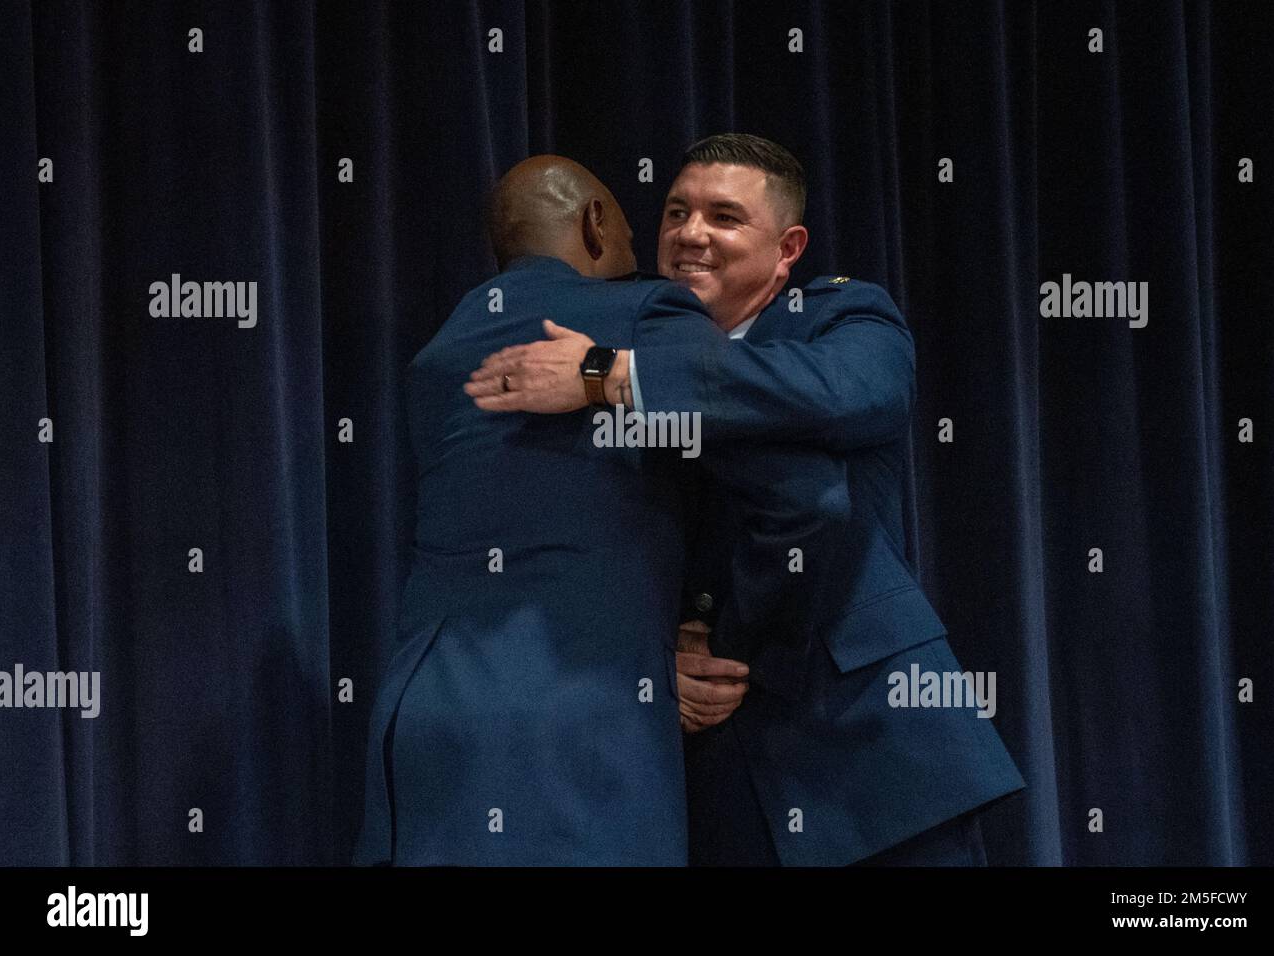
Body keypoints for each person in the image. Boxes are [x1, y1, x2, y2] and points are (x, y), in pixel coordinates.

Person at [466, 134, 1026, 865]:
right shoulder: (617, 347)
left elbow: (848, 396)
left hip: (876, 751)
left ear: (788, 248)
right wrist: (658, 659)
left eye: (724, 217)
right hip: (715, 769)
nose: (690, 234)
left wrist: (618, 375)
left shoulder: (844, 318)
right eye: (675, 213)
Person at [353, 155, 845, 865]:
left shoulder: (438, 356)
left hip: (420, 729)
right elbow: (806, 492)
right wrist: (732, 646)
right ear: (594, 224)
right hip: (578, 732)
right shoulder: (644, 312)